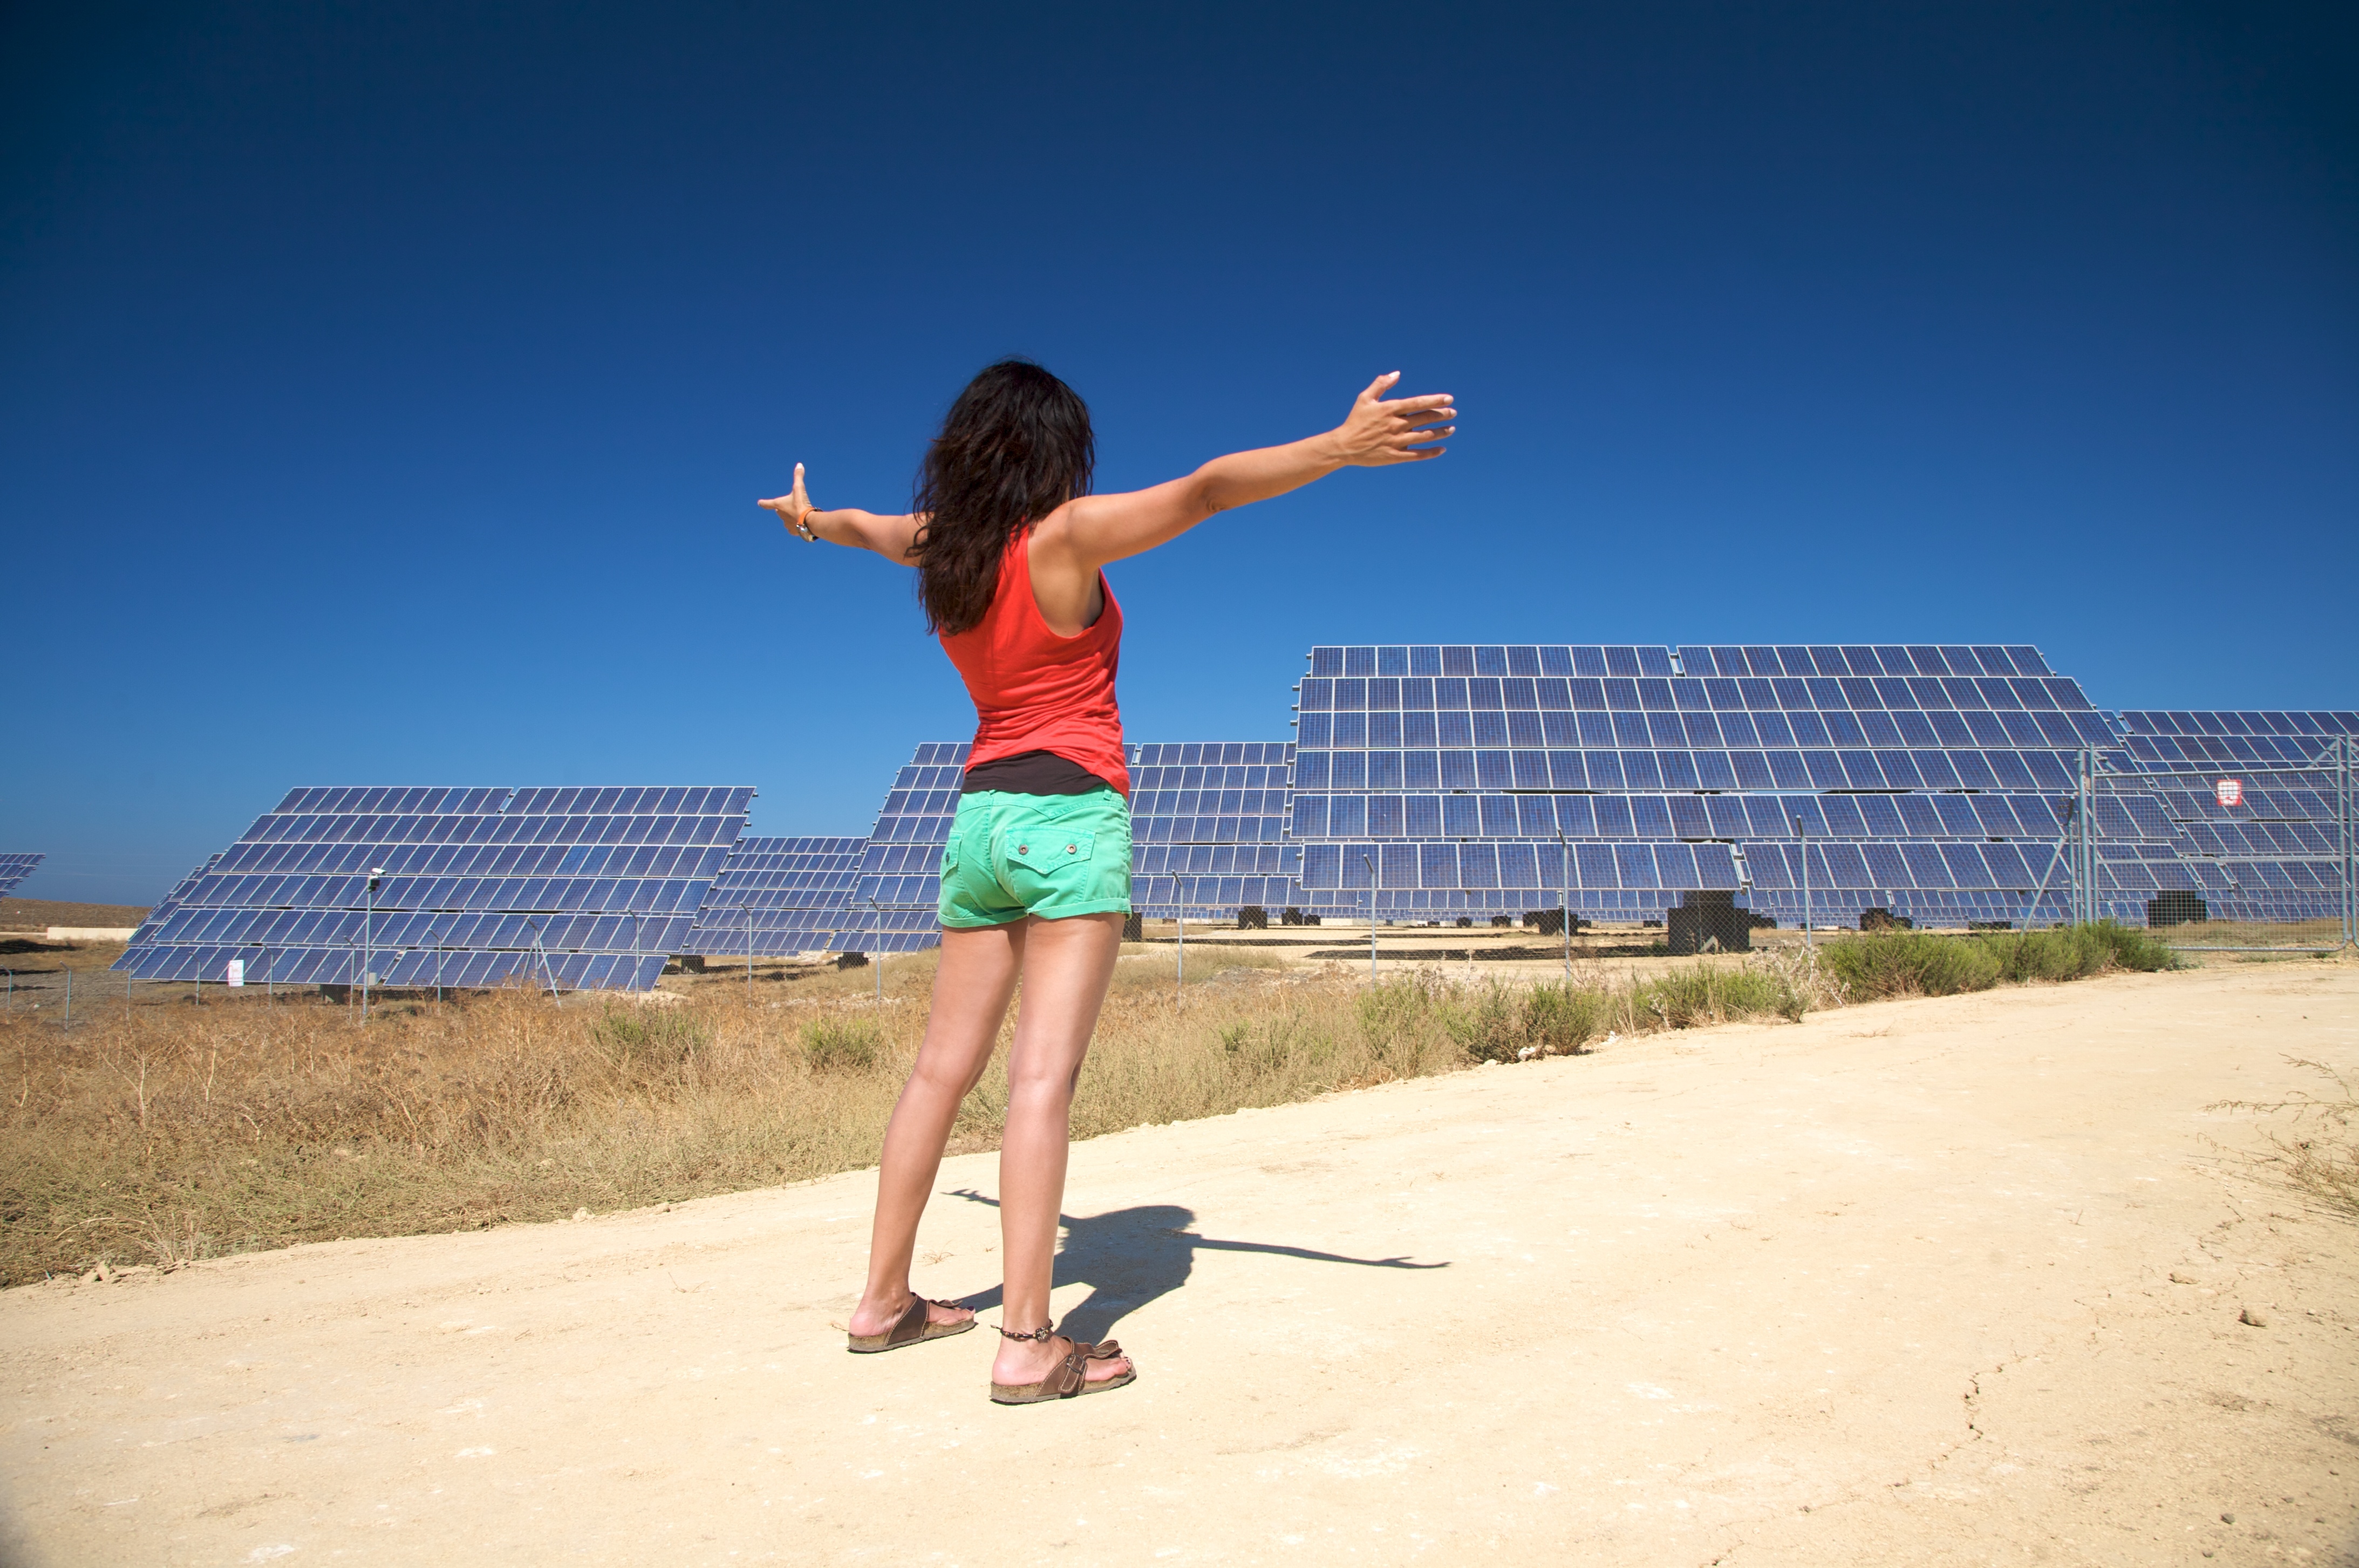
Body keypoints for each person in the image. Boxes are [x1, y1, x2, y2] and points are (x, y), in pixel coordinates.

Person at [758, 360, 1455, 1403]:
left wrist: (811, 520)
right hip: (1071, 815)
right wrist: (1337, 448)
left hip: (980, 817)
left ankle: (883, 1301)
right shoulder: (1064, 537)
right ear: (1052, 450)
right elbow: (1209, 489)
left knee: (938, 1073)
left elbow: (865, 525)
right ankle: (1030, 1343)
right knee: (1040, 1081)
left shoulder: (939, 546)